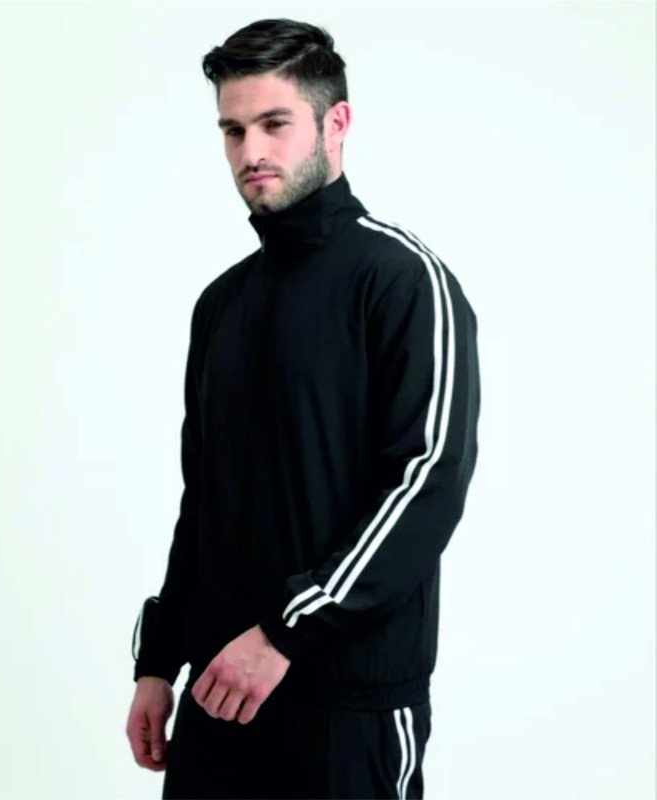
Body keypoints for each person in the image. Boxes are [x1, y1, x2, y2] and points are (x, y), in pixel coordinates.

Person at [125, 17, 481, 800]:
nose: (250, 151)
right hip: (219, 695)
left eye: (274, 123)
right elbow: (203, 500)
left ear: (335, 122)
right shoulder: (222, 304)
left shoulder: (401, 280)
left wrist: (287, 632)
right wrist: (159, 662)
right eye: (232, 130)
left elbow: (425, 482)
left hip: (344, 707)